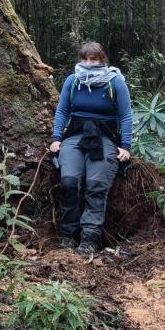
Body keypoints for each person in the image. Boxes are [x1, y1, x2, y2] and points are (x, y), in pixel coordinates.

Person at [49, 42, 132, 256]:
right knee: (69, 182)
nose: (88, 63)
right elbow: (62, 111)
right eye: (85, 58)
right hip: (75, 135)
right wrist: (57, 138)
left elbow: (125, 115)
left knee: (96, 185)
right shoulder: (73, 80)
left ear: (101, 59)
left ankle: (89, 238)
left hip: (103, 136)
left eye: (93, 59)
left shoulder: (114, 82)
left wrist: (125, 145)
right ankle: (68, 235)